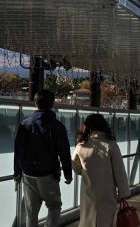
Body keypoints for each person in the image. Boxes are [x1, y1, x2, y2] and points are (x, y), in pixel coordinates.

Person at [13, 89, 73, 227]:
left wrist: (17, 172)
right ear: (52, 104)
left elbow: (18, 150)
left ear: (36, 103)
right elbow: (64, 152)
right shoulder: (57, 126)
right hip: (48, 175)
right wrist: (68, 174)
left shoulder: (25, 124)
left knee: (31, 212)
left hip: (28, 174)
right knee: (54, 206)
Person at [72, 114, 130, 227]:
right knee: (104, 221)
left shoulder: (81, 145)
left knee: (87, 221)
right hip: (107, 193)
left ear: (87, 127)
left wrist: (84, 173)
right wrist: (123, 193)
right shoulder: (111, 145)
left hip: (88, 192)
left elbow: (75, 166)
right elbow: (119, 171)